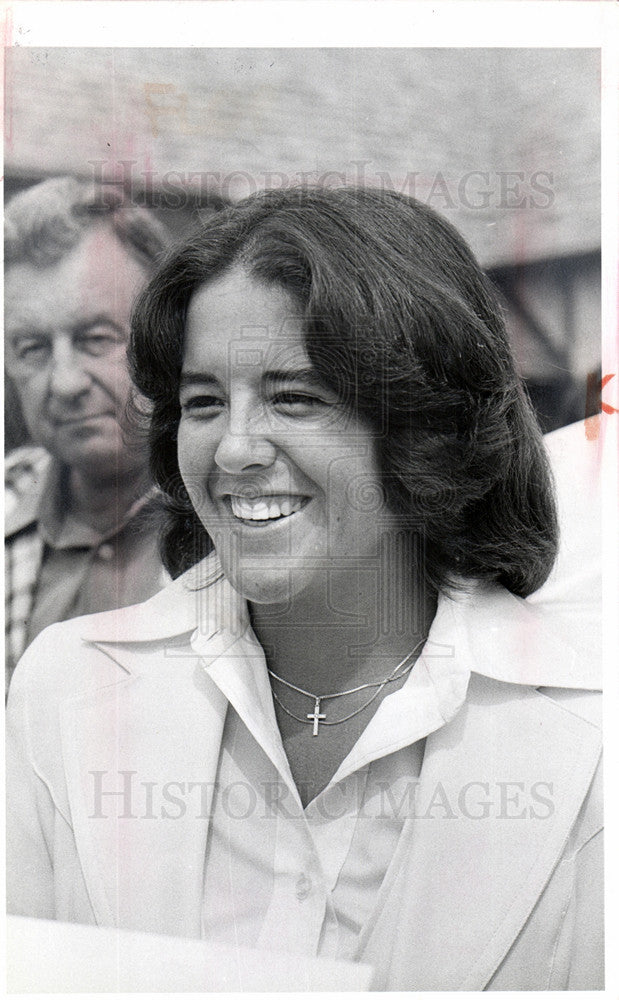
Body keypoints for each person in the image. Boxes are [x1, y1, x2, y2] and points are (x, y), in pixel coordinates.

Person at [6, 186, 602, 991]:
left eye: (294, 397)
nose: (234, 449)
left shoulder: (588, 731)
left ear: (422, 423)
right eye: (204, 402)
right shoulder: (65, 689)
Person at [4, 177, 170, 694]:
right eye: (32, 348)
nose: (65, 382)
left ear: (164, 334)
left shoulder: (239, 522)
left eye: (96, 339)